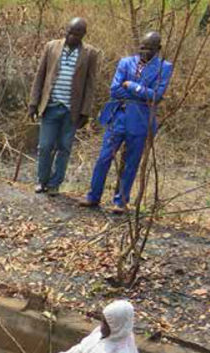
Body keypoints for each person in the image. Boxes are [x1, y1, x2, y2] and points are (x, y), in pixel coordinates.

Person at [79, 32, 173, 214]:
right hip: (118, 117)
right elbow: (114, 90)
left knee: (131, 162)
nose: (144, 51)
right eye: (142, 47)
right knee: (104, 158)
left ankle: (120, 201)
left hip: (141, 121)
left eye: (149, 48)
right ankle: (93, 196)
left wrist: (131, 86)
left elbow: (156, 96)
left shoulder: (164, 67)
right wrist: (141, 93)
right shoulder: (126, 62)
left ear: (158, 49)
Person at [28, 17, 99, 196]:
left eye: (76, 34)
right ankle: (41, 180)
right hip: (50, 106)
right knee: (44, 146)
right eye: (69, 32)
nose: (71, 36)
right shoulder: (51, 46)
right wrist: (33, 103)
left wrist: (85, 112)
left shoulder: (90, 53)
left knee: (64, 147)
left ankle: (54, 184)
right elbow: (40, 76)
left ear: (83, 35)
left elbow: (90, 85)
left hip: (71, 111)